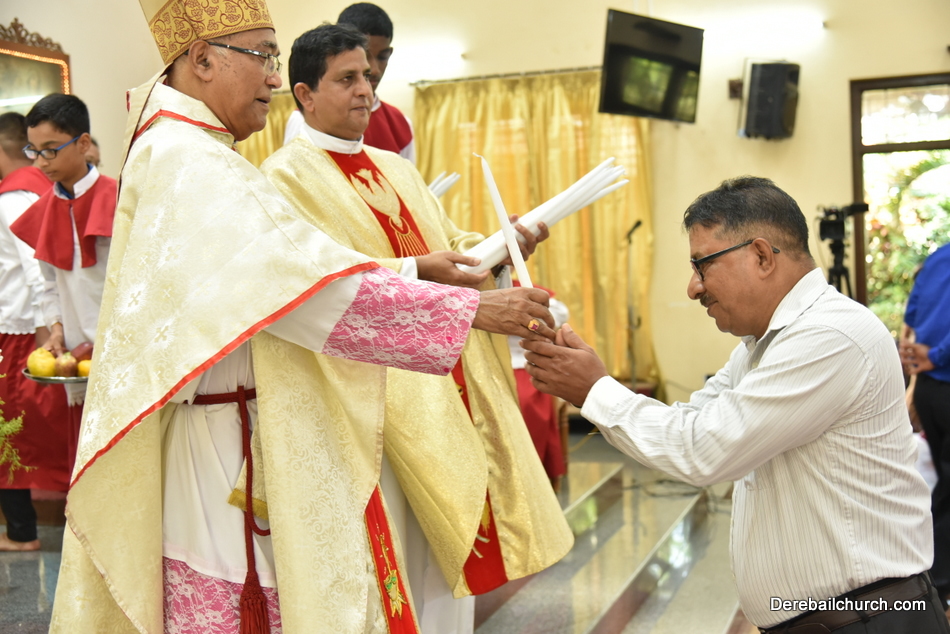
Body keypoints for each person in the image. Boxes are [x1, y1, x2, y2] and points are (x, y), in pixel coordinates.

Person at [48, 2, 555, 633]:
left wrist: (443, 277)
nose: (273, 76)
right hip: (223, 442)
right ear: (202, 59)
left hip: (239, 426)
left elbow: (306, 268)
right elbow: (302, 293)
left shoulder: (192, 150)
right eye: (262, 55)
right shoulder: (190, 161)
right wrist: (470, 310)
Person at [524, 176, 947, 633]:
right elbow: (691, 422)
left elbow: (703, 450)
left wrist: (595, 390)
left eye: (702, 265)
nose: (693, 287)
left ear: (761, 255)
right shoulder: (763, 344)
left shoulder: (829, 336)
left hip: (868, 621)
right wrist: (593, 385)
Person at [262, 23, 572, 633]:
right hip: (372, 398)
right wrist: (415, 269)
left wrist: (501, 246)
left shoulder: (394, 169)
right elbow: (317, 280)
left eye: (368, 76)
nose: (366, 90)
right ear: (304, 93)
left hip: (445, 376)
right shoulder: (283, 178)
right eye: (347, 79)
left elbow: (449, 246)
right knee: (401, 551)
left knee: (451, 552)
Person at [9, 94, 115, 473]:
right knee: (86, 466)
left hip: (120, 353)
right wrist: (55, 329)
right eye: (33, 151)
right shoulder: (43, 210)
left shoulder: (119, 199)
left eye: (50, 150)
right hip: (74, 359)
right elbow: (49, 284)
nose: (40, 162)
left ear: (83, 143)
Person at [0, 112, 71, 552]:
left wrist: (49, 331)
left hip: (23, 331)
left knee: (14, 431)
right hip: (37, 326)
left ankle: (21, 531)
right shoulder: (40, 187)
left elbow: (35, 267)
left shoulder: (13, 195)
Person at [283, 3, 415, 163]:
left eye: (382, 57)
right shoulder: (302, 120)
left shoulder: (400, 123)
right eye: (347, 77)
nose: (375, 70)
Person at [901, 242, 950, 607]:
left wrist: (924, 354)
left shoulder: (938, 257)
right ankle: (935, 582)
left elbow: (912, 317)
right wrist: (937, 355)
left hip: (930, 392)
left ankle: (928, 577)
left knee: (946, 485)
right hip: (943, 377)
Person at [507, 285, 570, 488]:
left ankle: (530, 471)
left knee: (526, 402)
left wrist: (524, 318)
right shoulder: (476, 290)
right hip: (486, 364)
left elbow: (553, 320)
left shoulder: (529, 290)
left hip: (523, 362)